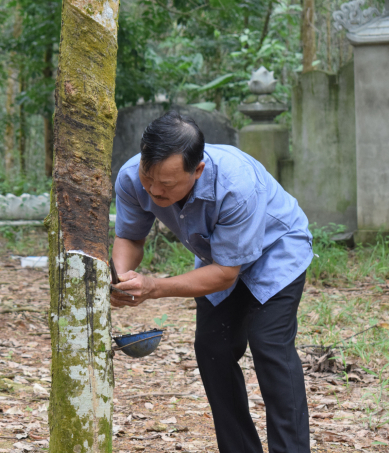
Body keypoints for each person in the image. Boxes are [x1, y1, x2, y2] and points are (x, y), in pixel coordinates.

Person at [111, 110, 314, 453]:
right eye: (150, 177)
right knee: (213, 349)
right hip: (217, 256)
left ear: (198, 170)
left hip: (276, 251)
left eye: (168, 184)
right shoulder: (132, 177)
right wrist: (121, 277)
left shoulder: (236, 184)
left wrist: (154, 287)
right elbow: (130, 238)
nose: (154, 189)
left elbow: (225, 274)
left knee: (269, 346)